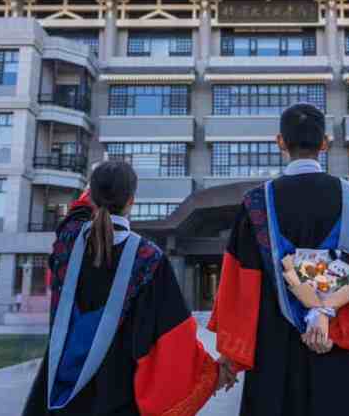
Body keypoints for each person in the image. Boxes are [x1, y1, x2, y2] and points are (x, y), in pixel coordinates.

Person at [208, 102, 349, 416]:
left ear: (280, 142)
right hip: (341, 357)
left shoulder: (256, 204)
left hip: (275, 357)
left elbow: (240, 286)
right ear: (325, 143)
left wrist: (232, 356)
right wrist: (332, 331)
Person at [23, 160, 231, 415]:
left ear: (93, 197)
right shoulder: (148, 258)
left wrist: (95, 185)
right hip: (118, 398)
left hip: (59, 393)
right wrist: (214, 372)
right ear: (131, 200)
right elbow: (173, 339)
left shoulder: (68, 242)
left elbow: (76, 213)